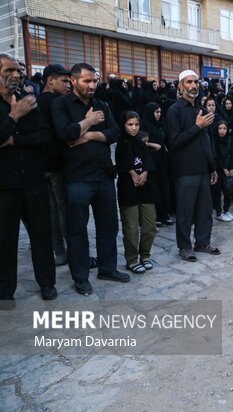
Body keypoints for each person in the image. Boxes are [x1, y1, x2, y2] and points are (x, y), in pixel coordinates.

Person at [52, 63, 130, 295]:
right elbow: (64, 134)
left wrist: (88, 136)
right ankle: (81, 277)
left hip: (103, 175)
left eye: (94, 81)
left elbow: (115, 133)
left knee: (108, 226)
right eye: (87, 81)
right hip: (77, 177)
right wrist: (88, 122)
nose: (92, 85)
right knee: (77, 230)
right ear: (74, 81)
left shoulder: (102, 104)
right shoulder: (61, 104)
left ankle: (108, 268)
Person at [0, 53, 57, 301]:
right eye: (8, 71)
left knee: (42, 235)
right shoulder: (18, 108)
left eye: (18, 71)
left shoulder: (29, 101)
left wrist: (15, 139)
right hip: (5, 185)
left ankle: (47, 283)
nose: (15, 75)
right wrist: (13, 117)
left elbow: (45, 137)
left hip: (34, 181)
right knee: (5, 240)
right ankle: (5, 289)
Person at [166, 69, 219, 262]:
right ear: (180, 86)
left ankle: (202, 242)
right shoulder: (174, 111)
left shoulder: (201, 110)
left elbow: (206, 142)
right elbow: (174, 142)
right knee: (185, 211)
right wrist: (197, 126)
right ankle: (185, 246)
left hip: (203, 169)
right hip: (185, 169)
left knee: (205, 210)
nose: (193, 86)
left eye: (195, 82)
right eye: (188, 82)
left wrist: (212, 167)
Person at [116, 111, 159, 273]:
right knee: (131, 227)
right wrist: (134, 174)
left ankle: (145, 255)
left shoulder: (141, 142)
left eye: (136, 124)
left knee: (150, 226)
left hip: (146, 188)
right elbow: (123, 163)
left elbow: (148, 160)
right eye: (130, 124)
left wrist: (145, 173)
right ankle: (132, 259)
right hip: (128, 189)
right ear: (124, 125)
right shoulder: (121, 143)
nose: (134, 128)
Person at [37, 64, 71, 266]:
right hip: (57, 165)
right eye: (64, 81)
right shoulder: (58, 102)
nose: (68, 85)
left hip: (42, 166)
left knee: (52, 211)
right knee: (64, 210)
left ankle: (60, 252)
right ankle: (73, 252)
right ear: (50, 80)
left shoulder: (33, 102)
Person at [141, 102, 173, 227]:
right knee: (153, 187)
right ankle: (154, 216)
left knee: (163, 186)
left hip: (162, 161)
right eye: (156, 112)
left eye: (160, 112)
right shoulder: (145, 127)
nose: (159, 115)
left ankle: (164, 214)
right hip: (151, 161)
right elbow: (142, 143)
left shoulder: (160, 125)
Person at [211, 120, 233, 222]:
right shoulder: (214, 140)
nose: (222, 131)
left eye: (224, 128)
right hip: (218, 169)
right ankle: (219, 212)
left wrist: (232, 168)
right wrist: (223, 168)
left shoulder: (229, 139)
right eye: (220, 128)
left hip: (229, 168)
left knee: (228, 190)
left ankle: (226, 210)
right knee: (217, 192)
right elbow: (215, 155)